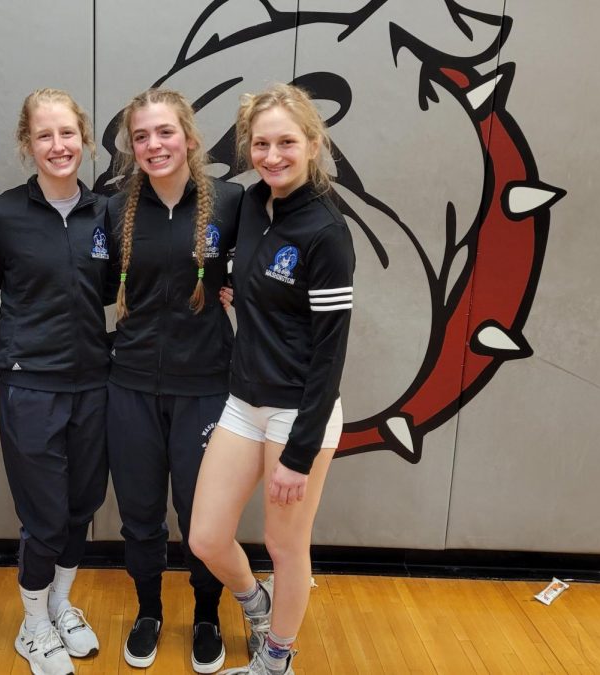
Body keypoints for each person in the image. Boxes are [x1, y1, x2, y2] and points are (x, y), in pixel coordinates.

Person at [189, 83, 355, 675]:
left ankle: (275, 661)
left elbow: (331, 353)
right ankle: (252, 602)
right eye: (261, 143)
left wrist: (300, 453)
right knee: (205, 537)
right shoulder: (251, 206)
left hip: (297, 415)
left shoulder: (326, 231)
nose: (273, 155)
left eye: (287, 142)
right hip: (244, 402)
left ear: (313, 144)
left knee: (287, 548)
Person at [107, 88, 243, 673]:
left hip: (206, 385)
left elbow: (276, 264)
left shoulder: (235, 202)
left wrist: (246, 290)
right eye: (141, 136)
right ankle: (148, 610)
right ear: (132, 147)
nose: (154, 145)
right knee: (139, 512)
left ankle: (208, 613)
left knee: (202, 517)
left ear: (189, 137)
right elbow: (72, 280)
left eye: (164, 132)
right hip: (131, 384)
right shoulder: (112, 210)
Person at [0, 89, 113, 675]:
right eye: (44, 135)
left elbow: (117, 289)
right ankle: (32, 622)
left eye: (67, 134)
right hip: (30, 381)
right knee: (45, 512)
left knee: (83, 505)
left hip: (94, 379)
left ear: (85, 140)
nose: (58, 146)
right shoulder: (3, 213)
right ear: (26, 145)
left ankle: (60, 605)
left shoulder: (108, 212)